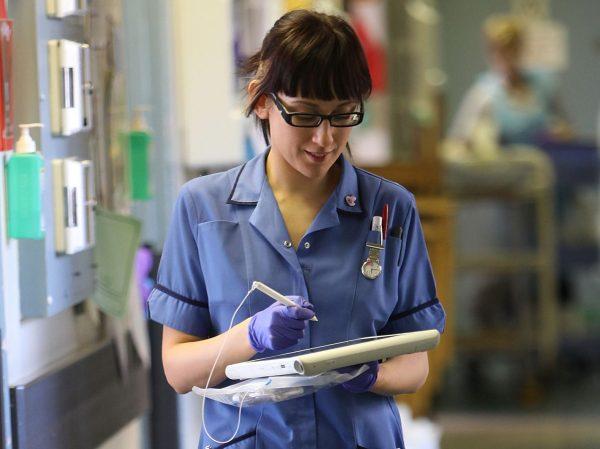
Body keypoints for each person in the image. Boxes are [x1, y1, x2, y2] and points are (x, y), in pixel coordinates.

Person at [147, 9, 445, 449]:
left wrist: (371, 374)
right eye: (306, 115)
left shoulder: (388, 209)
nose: (325, 138)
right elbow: (177, 369)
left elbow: (416, 363)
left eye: (343, 115)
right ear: (262, 100)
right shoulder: (203, 209)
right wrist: (248, 336)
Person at [448, 14, 571, 150]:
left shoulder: (544, 84)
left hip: (540, 165)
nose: (504, 58)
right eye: (497, 51)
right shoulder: (484, 93)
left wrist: (559, 133)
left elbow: (567, 130)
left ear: (520, 49)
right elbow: (459, 140)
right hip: (504, 168)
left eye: (510, 50)